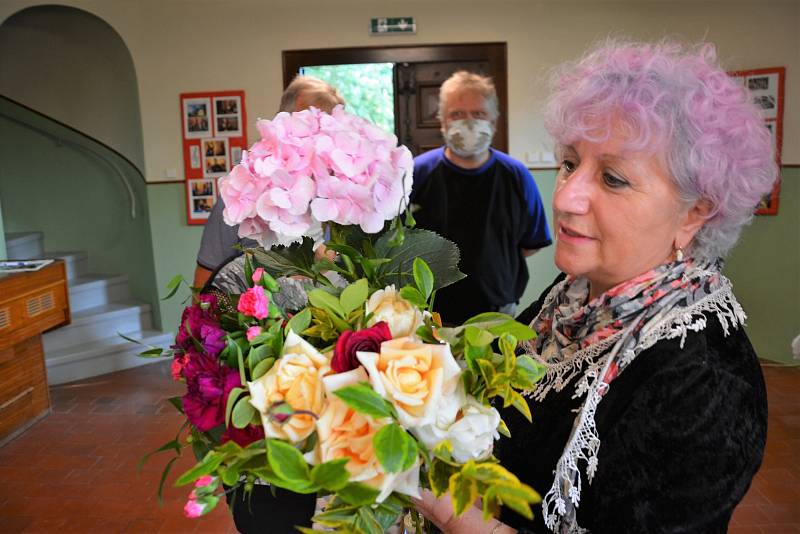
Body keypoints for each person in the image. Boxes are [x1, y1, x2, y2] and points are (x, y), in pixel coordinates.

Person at [415, 39, 775, 533]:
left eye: (613, 178)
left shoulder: (702, 383)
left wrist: (437, 502)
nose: (566, 198)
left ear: (695, 212)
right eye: (569, 163)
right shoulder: (570, 296)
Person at [410, 71, 551, 325]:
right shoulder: (416, 173)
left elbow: (531, 242)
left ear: (494, 122)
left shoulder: (516, 175)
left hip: (496, 309)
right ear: (442, 121)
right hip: (429, 309)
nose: (468, 122)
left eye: (478, 114)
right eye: (457, 114)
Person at [193, 76, 345, 288]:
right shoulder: (240, 199)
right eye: (307, 132)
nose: (317, 146)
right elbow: (203, 296)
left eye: (329, 135)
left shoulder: (346, 202)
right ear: (280, 129)